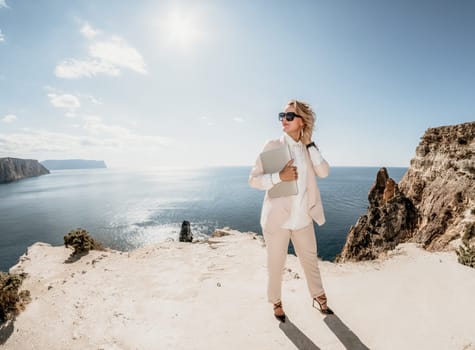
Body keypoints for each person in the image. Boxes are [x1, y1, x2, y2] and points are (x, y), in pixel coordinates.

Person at [248, 99, 333, 322]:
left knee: (310, 261)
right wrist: (279, 177)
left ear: (302, 121)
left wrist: (310, 144)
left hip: (303, 219)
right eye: (282, 116)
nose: (283, 120)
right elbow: (253, 180)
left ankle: (319, 296)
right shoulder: (273, 145)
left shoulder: (308, 150)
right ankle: (276, 301)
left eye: (288, 116)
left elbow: (324, 172)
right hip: (277, 221)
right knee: (276, 264)